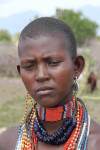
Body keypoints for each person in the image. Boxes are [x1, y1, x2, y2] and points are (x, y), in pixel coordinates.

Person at [0, 17, 100, 150]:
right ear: (20, 72)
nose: (41, 76)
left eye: (52, 63)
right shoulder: (8, 142)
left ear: (77, 66)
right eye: (29, 66)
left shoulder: (95, 142)